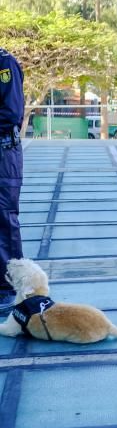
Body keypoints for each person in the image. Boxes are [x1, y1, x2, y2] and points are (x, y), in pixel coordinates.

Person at [0, 48, 24, 314]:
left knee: (4, 218)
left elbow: (11, 113)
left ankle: (9, 287)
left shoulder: (4, 63)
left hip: (4, 153)